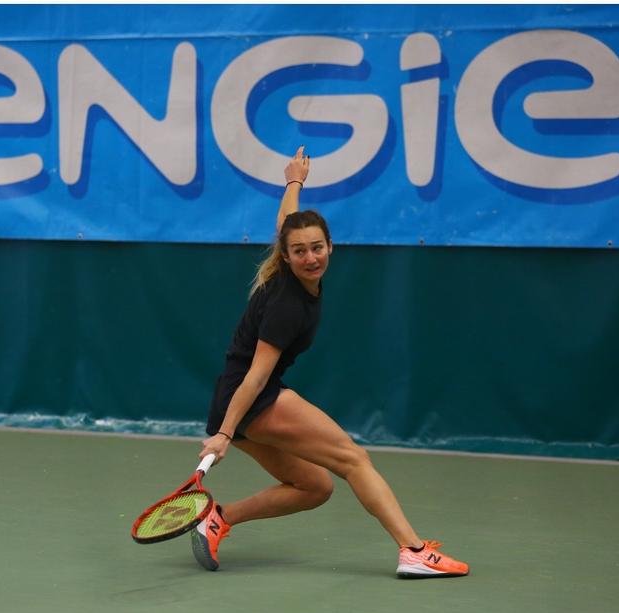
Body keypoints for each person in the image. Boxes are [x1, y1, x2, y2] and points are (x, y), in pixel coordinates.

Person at [190, 146, 468, 578]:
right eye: (300, 251)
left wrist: (294, 182)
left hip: (235, 398)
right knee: (353, 459)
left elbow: (287, 223)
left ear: (330, 245)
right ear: (286, 256)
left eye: (317, 247)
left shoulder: (290, 256)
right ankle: (413, 550)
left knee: (314, 487)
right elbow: (257, 375)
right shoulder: (287, 306)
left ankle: (217, 518)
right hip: (250, 398)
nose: (310, 257)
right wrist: (225, 434)